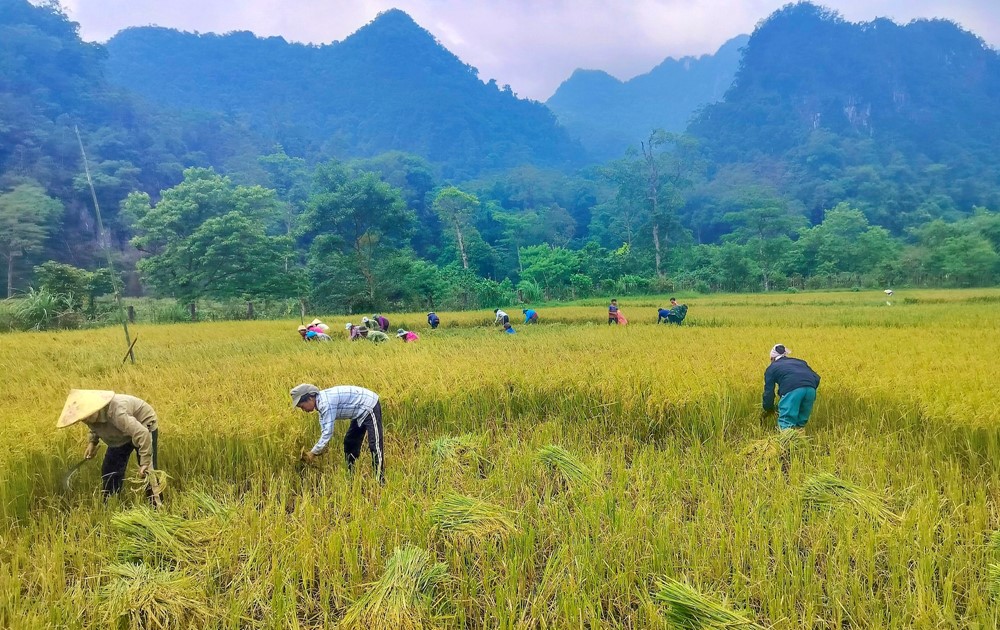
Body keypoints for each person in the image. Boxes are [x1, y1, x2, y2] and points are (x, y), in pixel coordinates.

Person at [56, 389, 161, 503]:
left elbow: (142, 433)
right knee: (110, 470)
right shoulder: (90, 417)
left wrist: (145, 462)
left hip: (143, 424)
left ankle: (157, 509)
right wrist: (92, 442)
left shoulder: (117, 413)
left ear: (96, 408)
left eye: (87, 416)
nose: (85, 420)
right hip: (120, 432)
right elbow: (96, 427)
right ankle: (111, 504)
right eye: (83, 418)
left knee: (148, 473)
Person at [291, 383, 385, 485]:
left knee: (375, 445)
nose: (303, 410)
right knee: (350, 442)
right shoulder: (320, 404)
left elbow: (327, 433)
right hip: (358, 411)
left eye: (302, 406)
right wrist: (319, 449)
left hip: (369, 405)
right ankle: (351, 474)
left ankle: (379, 481)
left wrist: (313, 453)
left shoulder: (326, 404)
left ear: (310, 398)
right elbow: (324, 429)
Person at [762, 344, 821, 431]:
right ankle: (800, 442)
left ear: (772, 358)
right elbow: (816, 377)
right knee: (800, 423)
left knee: (786, 422)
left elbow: (769, 392)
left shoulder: (772, 368)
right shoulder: (800, 362)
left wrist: (768, 408)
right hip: (810, 389)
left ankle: (786, 443)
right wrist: (808, 389)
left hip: (793, 390)